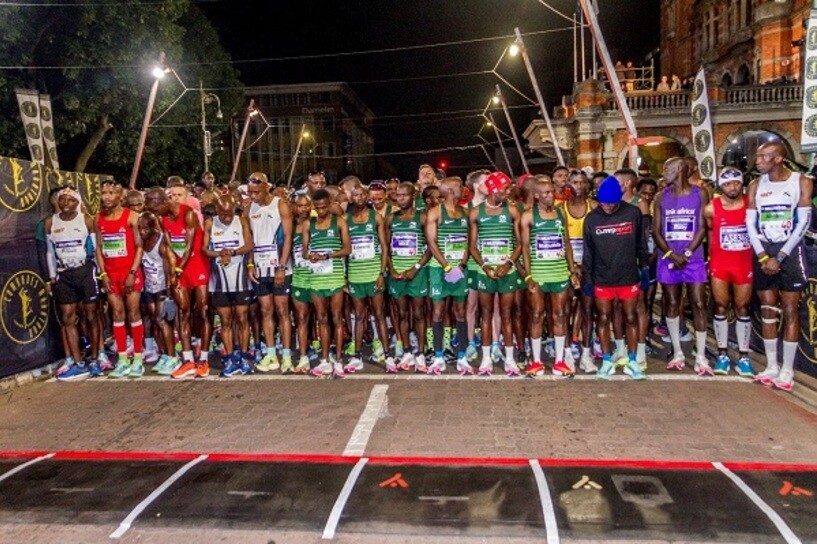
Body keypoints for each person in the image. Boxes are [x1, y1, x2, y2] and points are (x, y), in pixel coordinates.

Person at [746, 142, 813, 391]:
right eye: (758, 156)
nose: (758, 161)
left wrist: (781, 256)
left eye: (763, 156)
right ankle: (772, 365)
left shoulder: (801, 181)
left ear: (778, 158)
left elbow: (803, 223)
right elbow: (750, 223)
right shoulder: (756, 185)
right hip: (764, 250)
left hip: (790, 251)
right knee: (767, 309)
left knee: (790, 309)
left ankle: (787, 370)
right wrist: (763, 256)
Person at [583, 177, 648, 380]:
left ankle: (632, 360)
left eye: (612, 203)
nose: (607, 207)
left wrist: (644, 267)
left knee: (630, 317)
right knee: (603, 317)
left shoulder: (633, 213)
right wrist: (587, 278)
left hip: (628, 276)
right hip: (602, 277)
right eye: (604, 203)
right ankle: (607, 360)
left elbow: (641, 243)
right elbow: (588, 252)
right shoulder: (592, 218)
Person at [145, 185, 212, 378]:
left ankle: (204, 360)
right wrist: (173, 271)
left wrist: (179, 269)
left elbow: (189, 247)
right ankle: (188, 360)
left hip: (197, 265)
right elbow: (168, 246)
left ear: (164, 202)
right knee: (183, 312)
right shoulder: (162, 218)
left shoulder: (188, 214)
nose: (156, 213)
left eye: (156, 209)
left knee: (203, 311)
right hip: (180, 267)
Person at [653, 157, 711, 375]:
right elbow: (656, 230)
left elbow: (703, 227)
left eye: (668, 168)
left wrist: (686, 253)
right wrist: (670, 254)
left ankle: (701, 355)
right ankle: (677, 351)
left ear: (680, 170)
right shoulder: (661, 196)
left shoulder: (700, 193)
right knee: (671, 303)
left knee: (698, 303)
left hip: (692, 257)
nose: (664, 172)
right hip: (668, 257)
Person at [521, 179, 579, 376]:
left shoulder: (560, 213)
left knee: (560, 315)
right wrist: (529, 275)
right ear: (536, 195)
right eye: (545, 193)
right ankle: (536, 361)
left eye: (552, 192)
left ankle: (559, 361)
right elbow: (525, 248)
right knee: (537, 315)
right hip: (539, 274)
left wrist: (572, 271)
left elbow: (567, 243)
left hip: (559, 273)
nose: (550, 196)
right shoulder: (528, 216)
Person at [469, 171, 524, 376]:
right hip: (486, 272)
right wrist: (485, 266)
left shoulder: (512, 211)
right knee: (485, 315)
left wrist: (508, 264)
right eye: (504, 188)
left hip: (507, 271)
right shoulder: (476, 213)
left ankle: (509, 359)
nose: (507, 191)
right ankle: (486, 359)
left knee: (506, 314)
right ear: (493, 189)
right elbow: (472, 246)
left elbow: (520, 243)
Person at [46, 187, 103, 380]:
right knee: (67, 317)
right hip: (64, 273)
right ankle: (78, 363)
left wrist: (100, 273)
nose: (65, 203)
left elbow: (96, 248)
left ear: (77, 203)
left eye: (70, 200)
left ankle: (95, 359)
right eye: (62, 199)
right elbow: (49, 252)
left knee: (91, 315)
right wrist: (52, 277)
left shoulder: (86, 220)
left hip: (85, 271)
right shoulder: (50, 222)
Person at [703, 167, 755, 377]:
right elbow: (710, 232)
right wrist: (710, 259)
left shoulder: (751, 204)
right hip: (721, 264)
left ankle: (744, 356)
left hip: (743, 263)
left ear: (741, 183)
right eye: (727, 184)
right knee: (720, 305)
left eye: (736, 183)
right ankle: (722, 354)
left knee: (742, 307)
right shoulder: (711, 208)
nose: (732, 187)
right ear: (720, 186)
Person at [95, 180, 145, 378]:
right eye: (103, 193)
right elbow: (99, 248)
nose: (106, 197)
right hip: (110, 274)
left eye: (111, 193)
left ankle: (138, 359)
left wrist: (132, 272)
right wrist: (103, 274)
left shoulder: (131, 216)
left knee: (133, 313)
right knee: (117, 313)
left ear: (120, 196)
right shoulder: (98, 218)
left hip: (129, 273)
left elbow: (139, 247)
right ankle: (123, 359)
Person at [246, 173, 294, 373]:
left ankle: (287, 356)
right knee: (265, 311)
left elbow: (288, 237)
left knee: (282, 311)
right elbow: (249, 239)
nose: (253, 196)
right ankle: (271, 354)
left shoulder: (280, 204)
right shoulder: (249, 208)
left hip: (279, 268)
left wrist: (282, 267)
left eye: (256, 192)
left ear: (267, 187)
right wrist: (250, 264)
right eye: (250, 192)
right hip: (260, 268)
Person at [202, 196, 254, 377]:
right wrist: (219, 253)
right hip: (219, 282)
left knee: (242, 318)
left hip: (240, 280)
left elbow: (249, 245)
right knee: (225, 321)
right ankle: (231, 358)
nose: (226, 218)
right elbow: (204, 249)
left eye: (229, 214)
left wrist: (232, 252)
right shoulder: (210, 223)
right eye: (223, 214)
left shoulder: (241, 221)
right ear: (217, 210)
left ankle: (244, 357)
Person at [425, 177, 472, 375]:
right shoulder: (435, 212)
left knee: (460, 311)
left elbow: (469, 242)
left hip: (460, 269)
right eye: (460, 187)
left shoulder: (465, 213)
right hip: (439, 269)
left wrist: (461, 265)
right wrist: (446, 267)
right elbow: (431, 242)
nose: (464, 189)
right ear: (451, 191)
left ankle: (462, 355)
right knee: (438, 311)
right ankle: (438, 356)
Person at [302, 188, 350, 377]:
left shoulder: (339, 222)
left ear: (330, 205)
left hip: (335, 276)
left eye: (324, 207)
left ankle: (338, 359)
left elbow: (347, 248)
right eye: (318, 208)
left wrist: (328, 255)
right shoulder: (309, 224)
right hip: (316, 277)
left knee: (337, 318)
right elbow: (304, 252)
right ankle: (324, 359)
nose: (321, 211)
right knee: (321, 319)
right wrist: (311, 256)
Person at [343, 184, 391, 373]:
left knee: (379, 314)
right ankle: (357, 356)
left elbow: (384, 246)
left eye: (363, 194)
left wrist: (382, 273)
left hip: (373, 274)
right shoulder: (345, 219)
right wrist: (345, 276)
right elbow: (344, 249)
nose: (360, 197)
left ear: (367, 196)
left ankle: (388, 355)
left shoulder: (376, 217)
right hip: (356, 275)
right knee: (359, 316)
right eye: (356, 195)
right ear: (351, 198)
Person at [386, 182, 431, 371]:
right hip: (397, 273)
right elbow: (386, 248)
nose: (401, 198)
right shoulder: (391, 218)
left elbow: (430, 247)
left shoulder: (422, 217)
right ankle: (406, 351)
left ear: (413, 196)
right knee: (402, 314)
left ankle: (420, 353)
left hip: (416, 273)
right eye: (398, 195)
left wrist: (415, 268)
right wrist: (391, 270)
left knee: (419, 313)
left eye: (405, 195)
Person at [562, 170, 599, 373]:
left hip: (589, 267)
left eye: (582, 182)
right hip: (567, 267)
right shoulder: (561, 209)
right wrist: (572, 269)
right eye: (575, 182)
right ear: (568, 184)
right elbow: (563, 241)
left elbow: (597, 242)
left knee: (587, 310)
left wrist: (584, 267)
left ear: (587, 185)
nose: (578, 186)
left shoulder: (594, 207)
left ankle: (586, 354)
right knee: (565, 311)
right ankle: (567, 352)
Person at [138, 212, 180, 376]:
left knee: (162, 320)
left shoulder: (161, 241)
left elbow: (169, 262)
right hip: (149, 285)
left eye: (145, 228)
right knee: (155, 320)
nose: (142, 232)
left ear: (153, 227)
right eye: (140, 228)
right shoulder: (141, 240)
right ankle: (164, 354)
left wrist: (169, 291)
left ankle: (173, 356)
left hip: (162, 285)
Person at [290, 193, 314, 373]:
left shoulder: (317, 223)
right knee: (301, 318)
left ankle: (324, 353)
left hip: (318, 278)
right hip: (299, 278)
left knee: (323, 317)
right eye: (300, 205)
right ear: (294, 207)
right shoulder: (290, 227)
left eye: (307, 205)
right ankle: (303, 356)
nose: (304, 209)